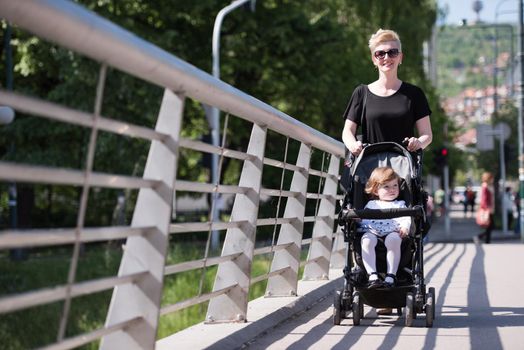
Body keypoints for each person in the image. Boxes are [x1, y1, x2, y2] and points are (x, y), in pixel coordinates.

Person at [341, 28, 433, 315]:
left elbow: (428, 134)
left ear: (400, 57)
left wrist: (419, 142)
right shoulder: (362, 93)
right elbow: (347, 130)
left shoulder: (413, 94)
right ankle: (371, 277)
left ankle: (397, 278)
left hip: (402, 171)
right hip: (370, 170)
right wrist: (353, 145)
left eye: (392, 52)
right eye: (381, 53)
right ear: (373, 58)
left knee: (405, 221)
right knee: (361, 219)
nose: (386, 57)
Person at [361, 167, 411, 290]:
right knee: (366, 240)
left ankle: (391, 275)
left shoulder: (400, 204)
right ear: (376, 190)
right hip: (372, 231)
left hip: (393, 232)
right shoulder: (371, 205)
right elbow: (364, 220)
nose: (392, 189)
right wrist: (357, 219)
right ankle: (372, 275)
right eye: (386, 187)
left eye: (395, 185)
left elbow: (406, 218)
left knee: (393, 239)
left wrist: (405, 227)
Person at [476, 172, 495, 244]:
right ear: (488, 178)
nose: (492, 180)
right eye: (491, 178)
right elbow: (484, 198)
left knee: (490, 225)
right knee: (490, 225)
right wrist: (486, 208)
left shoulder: (488, 186)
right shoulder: (485, 186)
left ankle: (484, 239)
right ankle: (483, 238)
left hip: (489, 208)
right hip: (487, 209)